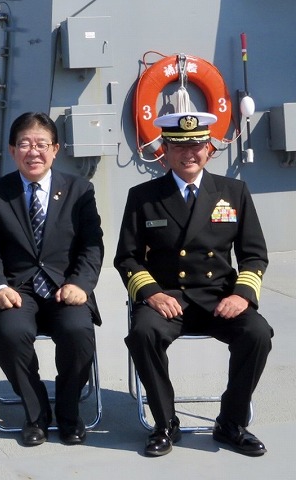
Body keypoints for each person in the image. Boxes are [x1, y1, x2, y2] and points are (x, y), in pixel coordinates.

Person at [114, 112, 273, 457]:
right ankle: (165, 423)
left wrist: (242, 295)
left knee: (258, 334)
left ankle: (231, 423)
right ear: (165, 150)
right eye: (179, 146)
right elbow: (127, 258)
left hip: (219, 298)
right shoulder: (143, 197)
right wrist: (151, 294)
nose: (189, 153)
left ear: (209, 150)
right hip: (168, 298)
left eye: (197, 145)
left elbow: (254, 255)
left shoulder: (233, 192)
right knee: (143, 333)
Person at [0, 111, 104, 447]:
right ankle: (37, 414)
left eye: (42, 144)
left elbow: (92, 245)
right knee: (10, 332)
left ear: (55, 149)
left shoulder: (79, 190)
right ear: (12, 150)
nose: (34, 151)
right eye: (25, 144)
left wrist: (80, 284)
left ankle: (69, 411)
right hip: (17, 289)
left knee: (78, 332)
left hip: (66, 288)